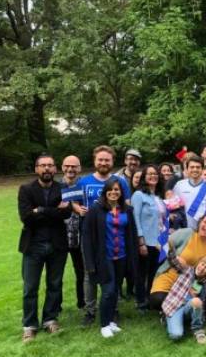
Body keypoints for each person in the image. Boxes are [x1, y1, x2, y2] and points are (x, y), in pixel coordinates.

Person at [18, 154, 71, 342]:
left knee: (55, 285)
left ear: (55, 169)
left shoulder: (63, 188)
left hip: (57, 245)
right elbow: (26, 217)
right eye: (43, 166)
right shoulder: (26, 190)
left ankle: (50, 319)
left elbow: (66, 213)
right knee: (30, 287)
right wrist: (52, 211)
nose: (47, 169)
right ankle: (30, 325)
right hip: (33, 246)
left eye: (50, 165)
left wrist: (39, 210)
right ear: (36, 169)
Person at [77, 145, 131, 325]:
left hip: (113, 234)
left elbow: (126, 204)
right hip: (91, 236)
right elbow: (72, 202)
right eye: (100, 159)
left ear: (112, 161)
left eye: (107, 160)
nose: (103, 162)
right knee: (90, 274)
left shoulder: (120, 181)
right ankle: (90, 311)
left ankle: (113, 309)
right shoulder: (83, 182)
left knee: (114, 275)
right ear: (94, 160)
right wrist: (78, 209)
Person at [82, 178, 139, 338]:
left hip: (121, 256)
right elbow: (86, 237)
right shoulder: (96, 210)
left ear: (121, 192)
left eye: (117, 190)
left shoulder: (126, 210)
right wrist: (89, 262)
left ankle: (112, 322)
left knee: (115, 291)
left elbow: (132, 233)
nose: (114, 192)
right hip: (104, 257)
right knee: (107, 291)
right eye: (111, 189)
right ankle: (104, 324)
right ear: (105, 191)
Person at [150, 216, 206, 309]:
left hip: (188, 284)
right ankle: (179, 307)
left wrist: (195, 288)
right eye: (205, 222)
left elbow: (205, 276)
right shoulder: (188, 233)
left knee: (177, 301)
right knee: (156, 300)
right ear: (200, 222)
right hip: (170, 276)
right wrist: (175, 257)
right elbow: (160, 244)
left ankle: (174, 310)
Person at [131, 165, 166, 310]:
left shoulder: (158, 197)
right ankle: (140, 302)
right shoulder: (138, 195)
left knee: (154, 272)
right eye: (149, 174)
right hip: (146, 241)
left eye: (155, 174)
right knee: (142, 273)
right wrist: (141, 241)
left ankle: (150, 299)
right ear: (144, 177)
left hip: (159, 242)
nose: (153, 176)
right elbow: (135, 218)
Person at [161, 256, 206, 343]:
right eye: (202, 264)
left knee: (197, 301)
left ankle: (198, 330)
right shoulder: (186, 270)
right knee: (176, 335)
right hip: (174, 307)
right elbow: (173, 261)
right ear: (198, 263)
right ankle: (167, 318)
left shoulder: (205, 283)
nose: (202, 268)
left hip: (187, 307)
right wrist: (171, 251)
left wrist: (194, 295)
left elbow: (202, 304)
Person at [60, 155, 85, 310]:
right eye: (67, 166)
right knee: (56, 274)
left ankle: (82, 302)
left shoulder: (84, 186)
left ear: (79, 168)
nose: (70, 169)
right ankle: (56, 306)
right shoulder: (56, 187)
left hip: (80, 236)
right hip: (60, 237)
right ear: (62, 167)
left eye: (74, 166)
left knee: (81, 272)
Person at [173, 155, 206, 230]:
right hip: (184, 229)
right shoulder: (179, 185)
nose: (195, 169)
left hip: (204, 229)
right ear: (187, 169)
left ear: (202, 169)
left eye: (198, 167)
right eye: (192, 167)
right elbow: (174, 207)